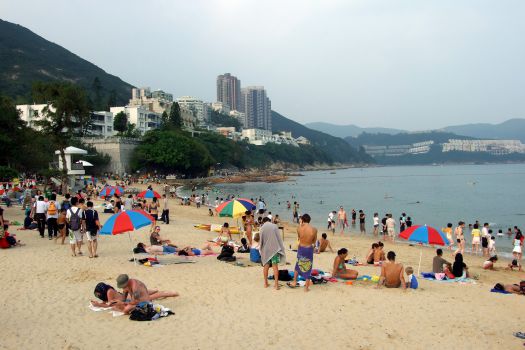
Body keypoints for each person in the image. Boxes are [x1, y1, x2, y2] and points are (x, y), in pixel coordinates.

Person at [115, 274, 179, 314]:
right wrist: (122, 302)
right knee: (118, 306)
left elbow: (135, 301)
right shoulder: (127, 285)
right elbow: (124, 296)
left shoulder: (135, 286)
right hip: (137, 298)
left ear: (127, 282)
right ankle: (155, 290)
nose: (123, 287)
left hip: (144, 301)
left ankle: (171, 293)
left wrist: (126, 304)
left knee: (125, 310)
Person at [288, 214, 317, 292]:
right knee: (308, 266)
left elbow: (299, 238)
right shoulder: (314, 229)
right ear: (309, 220)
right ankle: (306, 288)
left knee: (298, 264)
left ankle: (294, 282)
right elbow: (314, 242)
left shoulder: (298, 228)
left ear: (303, 220)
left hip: (301, 248)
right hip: (308, 249)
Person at [259, 217, 286, 290]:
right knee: (275, 267)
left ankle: (265, 283)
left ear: (263, 221)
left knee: (266, 266)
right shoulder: (274, 226)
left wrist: (261, 250)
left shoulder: (262, 228)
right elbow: (279, 239)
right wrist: (281, 249)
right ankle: (276, 285)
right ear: (269, 221)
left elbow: (261, 241)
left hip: (266, 250)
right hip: (274, 250)